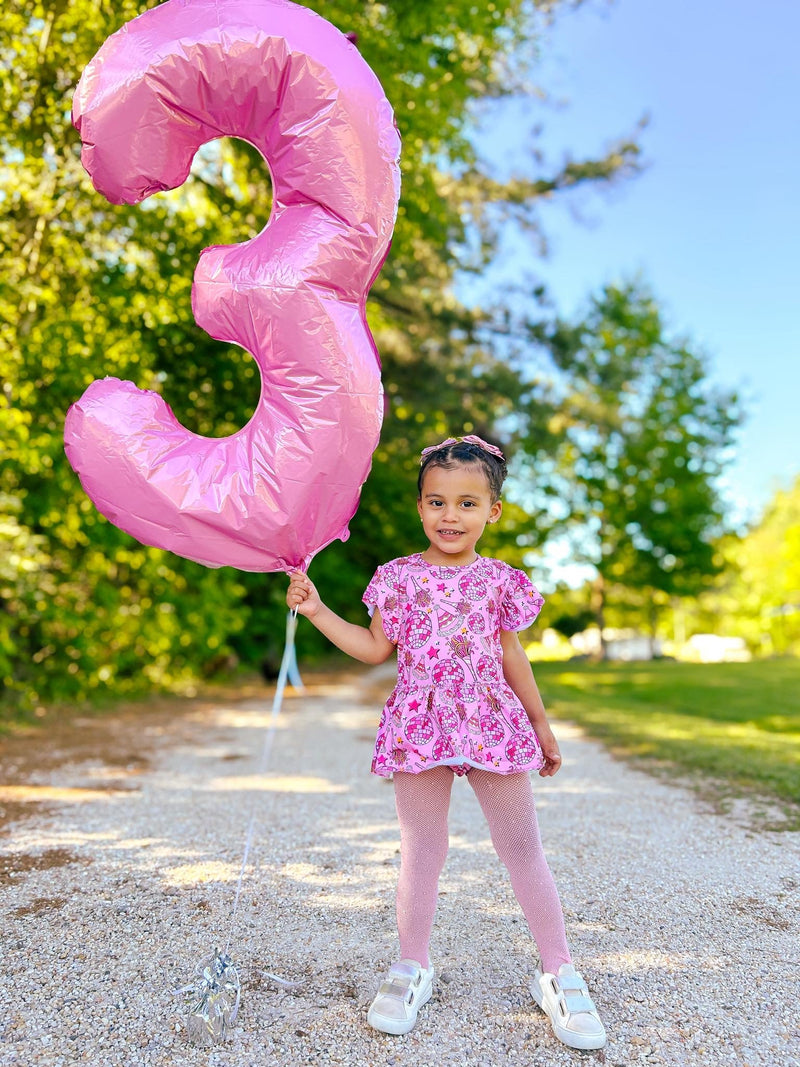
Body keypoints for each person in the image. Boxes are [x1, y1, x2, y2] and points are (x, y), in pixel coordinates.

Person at [286, 435, 606, 1051]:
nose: (449, 516)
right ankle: (412, 966)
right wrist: (320, 611)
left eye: (466, 503)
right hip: (421, 723)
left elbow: (513, 657)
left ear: (493, 511)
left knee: (520, 845)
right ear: (420, 507)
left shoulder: (500, 581)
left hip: (492, 720)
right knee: (422, 847)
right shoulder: (399, 579)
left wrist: (541, 726)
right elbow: (375, 649)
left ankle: (560, 972)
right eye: (436, 502)